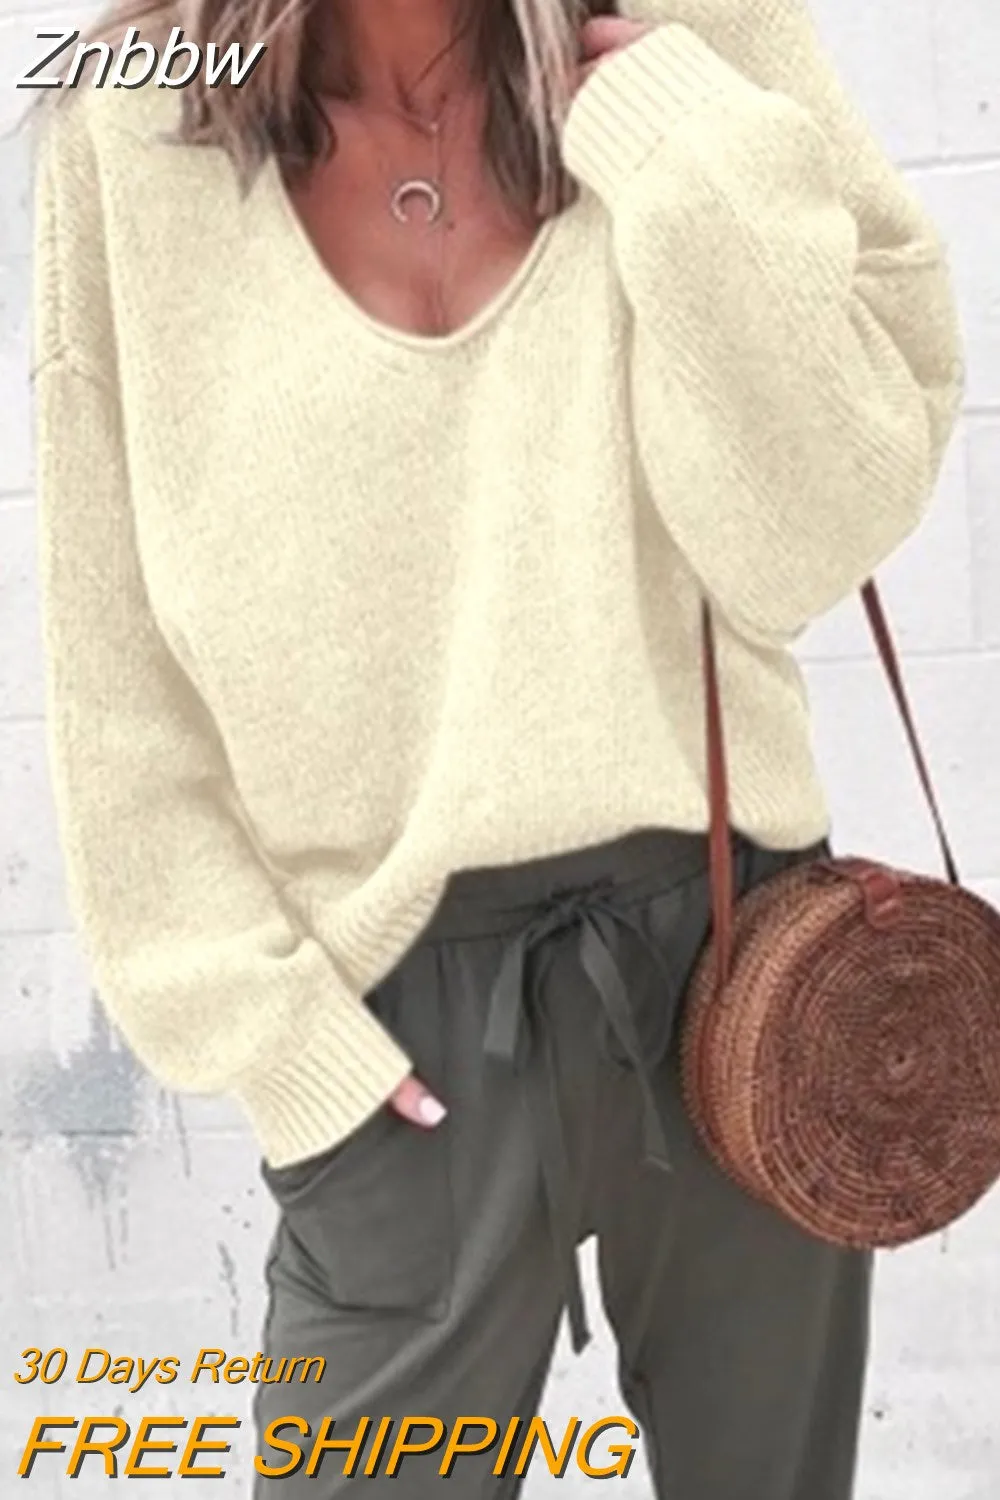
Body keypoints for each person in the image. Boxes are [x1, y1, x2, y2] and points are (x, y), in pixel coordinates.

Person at [32, 0, 964, 1494]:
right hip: (393, 1026)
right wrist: (287, 1052)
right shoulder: (128, 137)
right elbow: (119, 674)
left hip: (743, 976)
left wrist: (687, 159)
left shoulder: (688, 34)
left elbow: (814, 531)